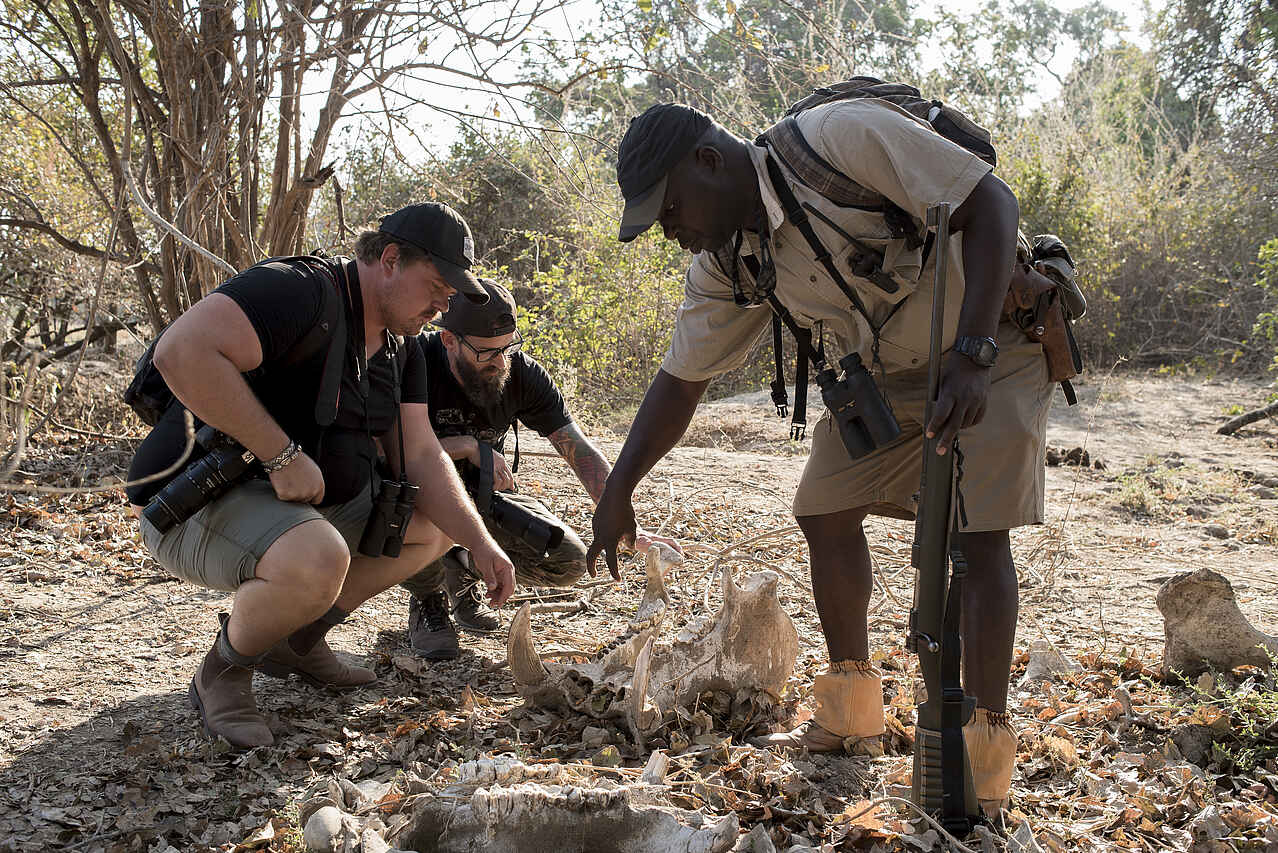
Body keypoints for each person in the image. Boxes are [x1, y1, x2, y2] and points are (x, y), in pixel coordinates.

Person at [589, 101, 1056, 816]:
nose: (672, 233)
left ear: (709, 162)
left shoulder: (837, 140)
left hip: (989, 345)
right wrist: (618, 488)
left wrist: (971, 355)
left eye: (672, 209)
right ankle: (850, 709)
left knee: (976, 537)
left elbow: (991, 202)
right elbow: (681, 382)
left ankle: (981, 755)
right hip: (886, 375)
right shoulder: (729, 263)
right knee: (823, 509)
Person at [126, 203, 516, 750]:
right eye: (435, 287)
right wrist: (281, 455)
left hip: (300, 511)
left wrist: (480, 542)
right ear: (389, 260)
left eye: (450, 295)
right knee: (318, 556)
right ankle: (223, 671)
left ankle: (296, 643)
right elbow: (180, 351)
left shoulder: (401, 347)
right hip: (191, 505)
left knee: (437, 524)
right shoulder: (300, 291)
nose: (442, 306)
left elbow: (421, 453)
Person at [398, 279, 681, 658]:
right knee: (406, 494)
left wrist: (622, 517)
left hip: (484, 498)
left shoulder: (522, 374)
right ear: (449, 340)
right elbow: (391, 453)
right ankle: (428, 597)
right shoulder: (412, 360)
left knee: (568, 561)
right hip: (419, 494)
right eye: (487, 352)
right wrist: (467, 446)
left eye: (508, 347)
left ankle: (460, 570)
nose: (501, 362)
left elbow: (577, 448)